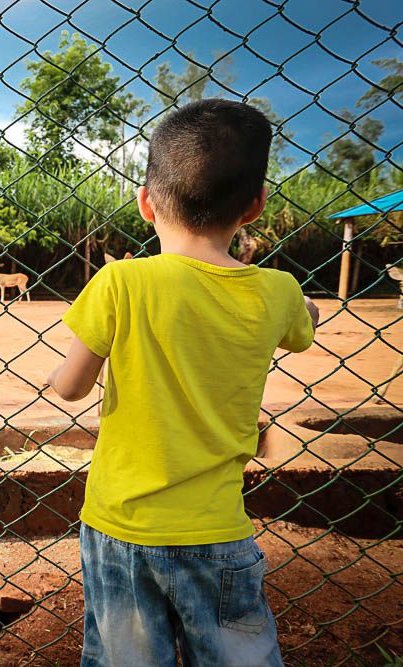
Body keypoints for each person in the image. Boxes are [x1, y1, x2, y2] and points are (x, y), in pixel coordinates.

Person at [46, 98, 319, 666]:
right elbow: (302, 330)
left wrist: (66, 367)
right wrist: (303, 307)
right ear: (255, 206)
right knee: (236, 655)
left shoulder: (121, 281)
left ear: (146, 203)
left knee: (128, 657)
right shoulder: (278, 291)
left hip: (122, 525)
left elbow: (70, 388)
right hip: (217, 528)